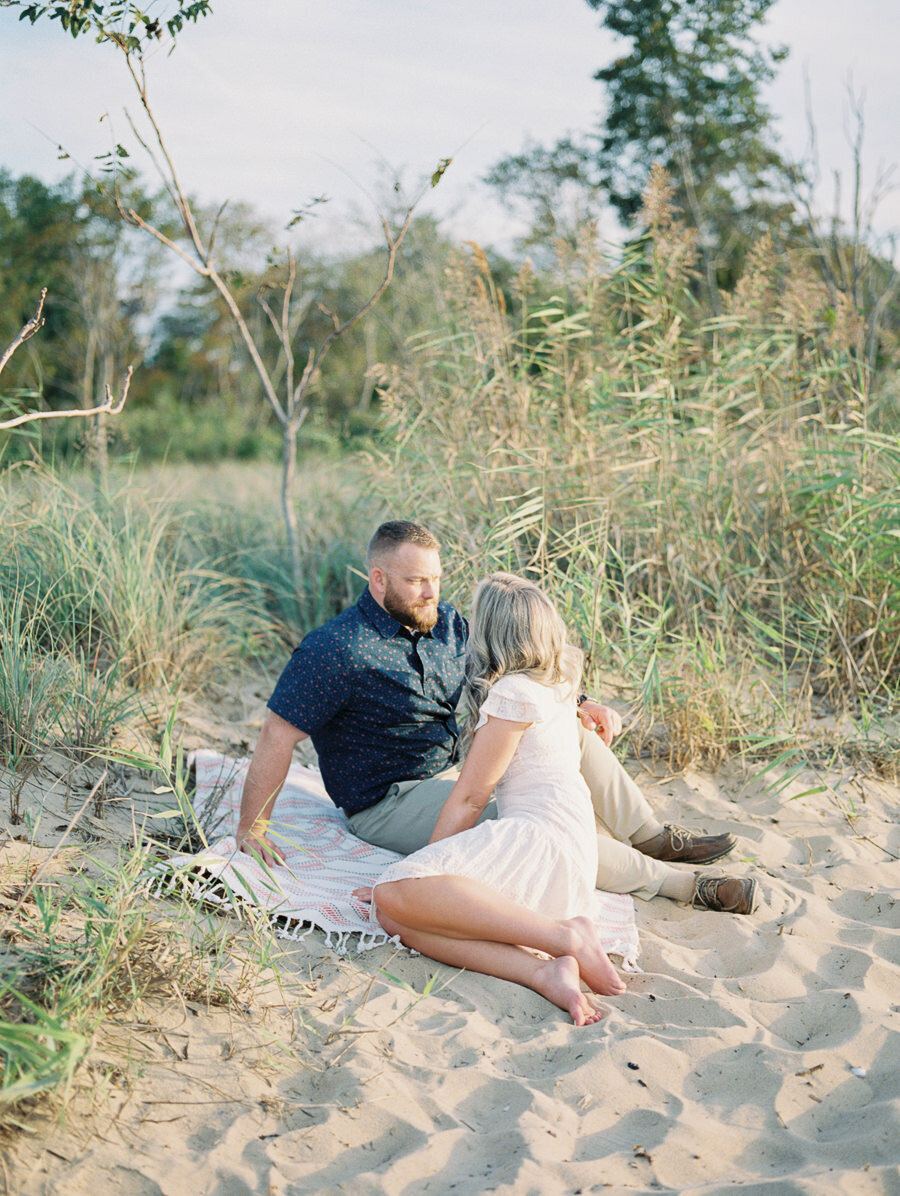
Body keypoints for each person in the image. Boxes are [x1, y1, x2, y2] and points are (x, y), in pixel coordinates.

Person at [236, 520, 749, 914]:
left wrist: (581, 702)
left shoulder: (448, 623)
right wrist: (252, 830)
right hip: (390, 798)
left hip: (461, 766)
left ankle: (651, 835)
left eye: (436, 578)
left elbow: (519, 671)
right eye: (416, 581)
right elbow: (276, 736)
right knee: (526, 829)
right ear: (378, 578)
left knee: (573, 734)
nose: (432, 593)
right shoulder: (337, 649)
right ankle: (677, 884)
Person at [363, 573, 755, 1024]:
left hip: (539, 841)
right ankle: (541, 973)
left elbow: (470, 799)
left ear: (489, 632)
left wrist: (426, 873)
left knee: (392, 895)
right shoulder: (557, 683)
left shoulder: (510, 695)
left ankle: (566, 938)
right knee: (395, 917)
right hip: (571, 852)